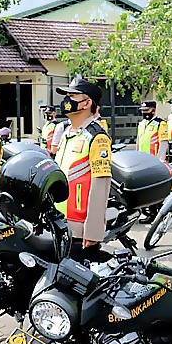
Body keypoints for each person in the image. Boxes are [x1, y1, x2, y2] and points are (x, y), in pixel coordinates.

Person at [54, 78, 111, 263]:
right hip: (58, 221)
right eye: (66, 96)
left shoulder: (97, 137)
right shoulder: (67, 133)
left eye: (72, 96)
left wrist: (93, 231)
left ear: (87, 103)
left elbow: (100, 186)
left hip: (78, 227)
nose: (66, 101)